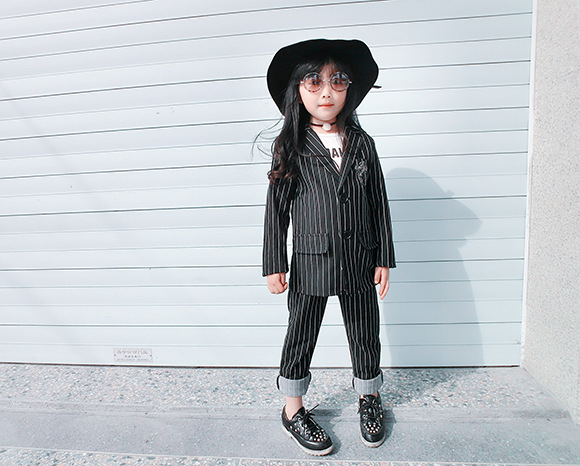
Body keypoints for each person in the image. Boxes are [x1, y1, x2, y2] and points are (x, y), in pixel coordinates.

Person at [262, 39, 396, 456]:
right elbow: (276, 209)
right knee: (301, 332)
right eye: (313, 81)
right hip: (310, 259)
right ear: (297, 90)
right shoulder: (291, 145)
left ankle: (369, 396)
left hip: (359, 257)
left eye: (337, 81)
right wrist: (274, 262)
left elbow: (378, 201)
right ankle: (292, 408)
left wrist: (384, 257)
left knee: (365, 331)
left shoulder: (362, 142)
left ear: (349, 88)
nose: (326, 92)